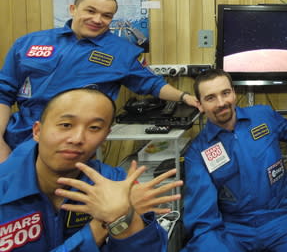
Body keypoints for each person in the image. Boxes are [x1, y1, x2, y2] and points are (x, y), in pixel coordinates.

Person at [0, 0, 197, 160]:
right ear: (73, 9)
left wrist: (185, 97)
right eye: (90, 11)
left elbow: (152, 83)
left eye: (106, 16)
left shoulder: (121, 52)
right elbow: (3, 93)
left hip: (76, 143)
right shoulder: (29, 43)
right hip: (20, 138)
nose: (97, 20)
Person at [0, 88, 183, 251]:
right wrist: (103, 225)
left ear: (105, 137)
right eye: (66, 125)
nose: (77, 138)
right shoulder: (4, 186)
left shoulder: (118, 183)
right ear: (37, 131)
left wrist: (129, 220)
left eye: (94, 128)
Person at [181, 68, 287, 252]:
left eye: (225, 93)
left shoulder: (262, 116)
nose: (221, 103)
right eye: (210, 98)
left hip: (282, 222)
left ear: (234, 92)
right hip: (232, 230)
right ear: (200, 105)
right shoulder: (198, 152)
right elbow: (203, 220)